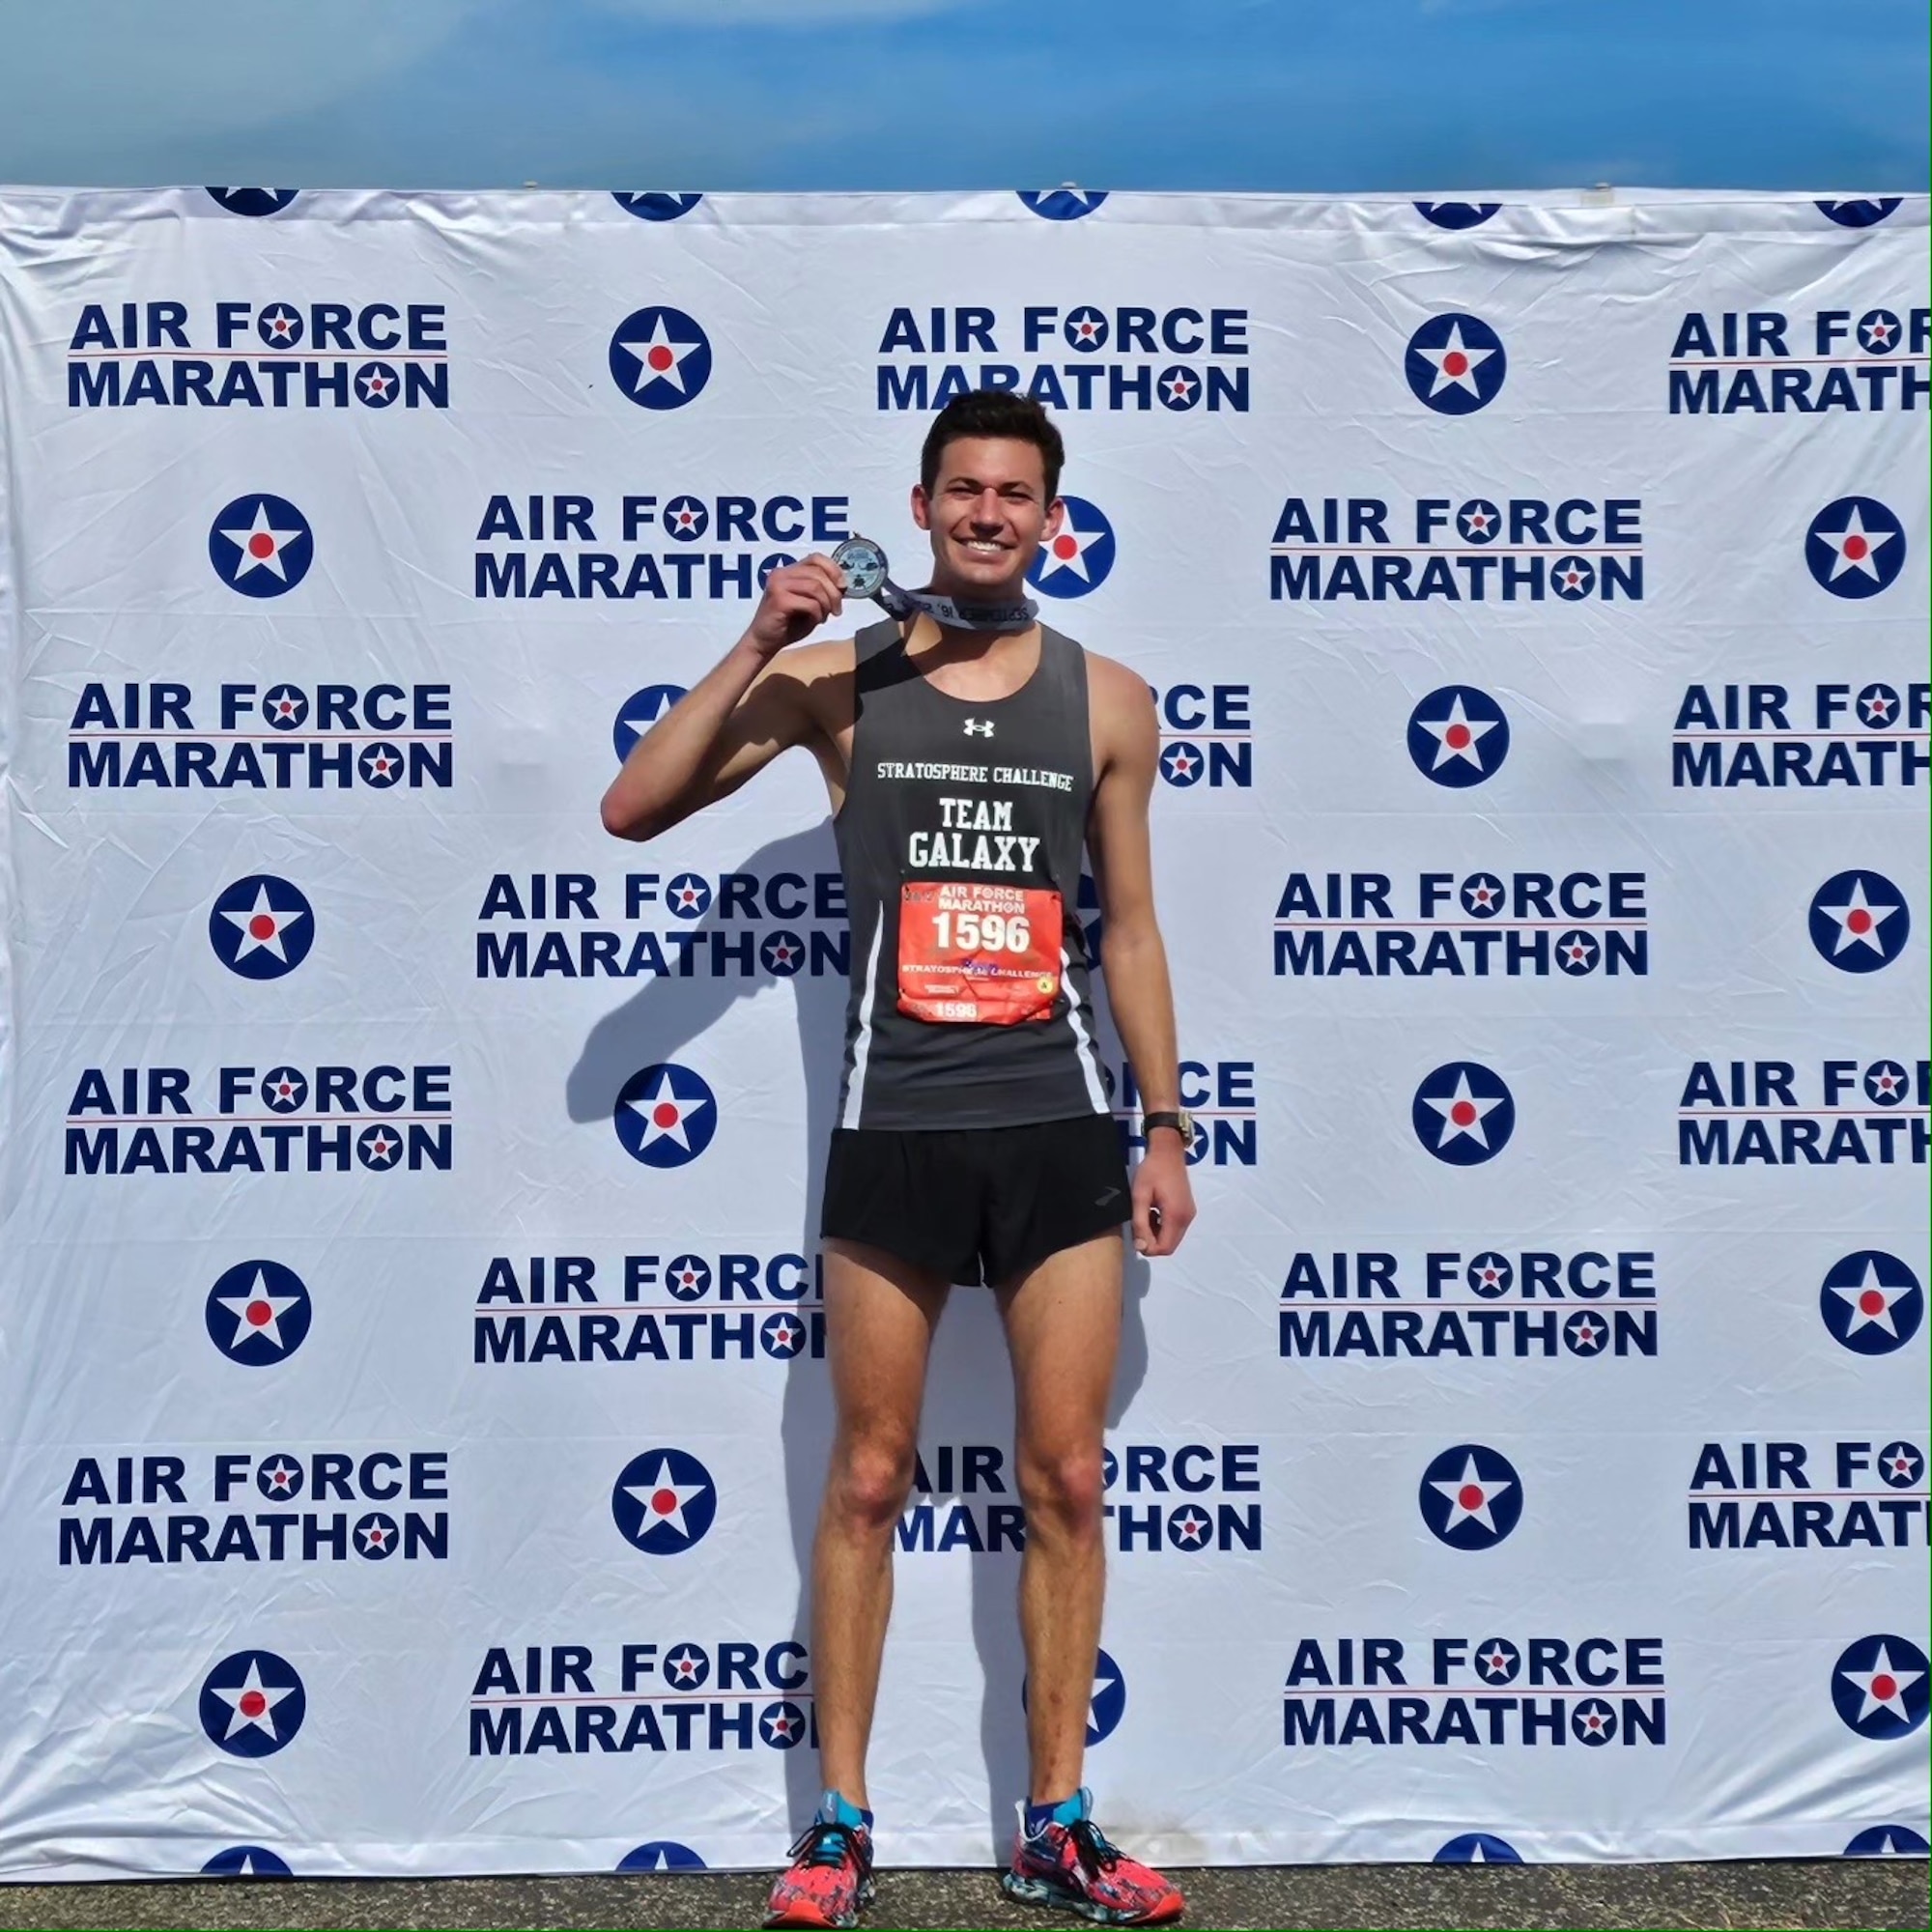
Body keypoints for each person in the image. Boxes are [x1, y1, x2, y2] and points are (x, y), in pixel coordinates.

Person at [601, 390, 1195, 1929]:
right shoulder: (840, 681)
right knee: (868, 1477)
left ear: (1053, 518)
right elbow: (633, 810)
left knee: (1066, 1474)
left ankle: (1056, 1828)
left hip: (1059, 1130)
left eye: (1017, 494)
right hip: (895, 1128)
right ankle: (840, 1828)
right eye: (963, 491)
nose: (989, 514)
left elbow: (1128, 930)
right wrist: (755, 638)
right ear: (921, 508)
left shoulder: (1111, 700)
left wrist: (1168, 1126)